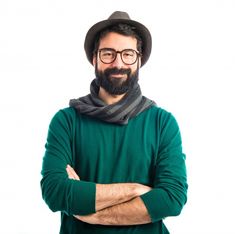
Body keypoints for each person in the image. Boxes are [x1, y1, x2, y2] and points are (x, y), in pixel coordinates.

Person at [40, 11, 188, 234]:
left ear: (139, 60)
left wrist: (92, 212)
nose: (118, 63)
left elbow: (172, 199)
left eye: (128, 54)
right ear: (94, 58)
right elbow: (55, 192)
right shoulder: (67, 121)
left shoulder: (162, 123)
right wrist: (134, 190)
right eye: (108, 53)